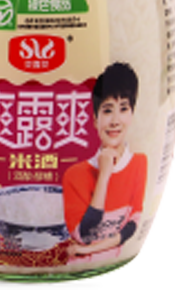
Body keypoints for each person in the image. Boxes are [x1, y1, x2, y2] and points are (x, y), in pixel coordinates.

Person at [62, 62, 147, 263]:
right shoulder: (74, 174)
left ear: (132, 114)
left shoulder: (139, 164)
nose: (115, 120)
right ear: (95, 119)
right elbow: (84, 235)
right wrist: (104, 175)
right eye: (107, 110)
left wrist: (86, 250)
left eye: (123, 108)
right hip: (78, 267)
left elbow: (131, 227)